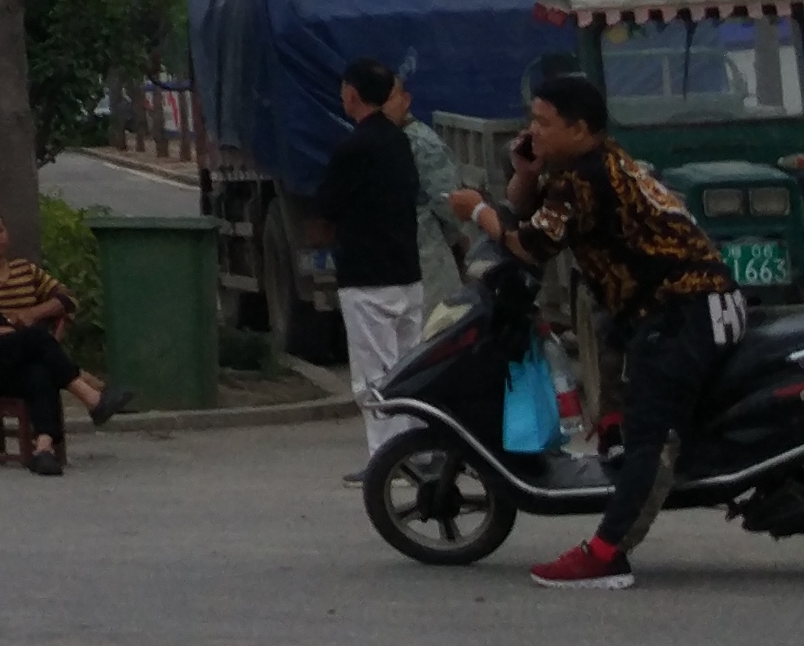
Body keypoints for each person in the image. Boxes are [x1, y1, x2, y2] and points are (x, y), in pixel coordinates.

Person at [452, 68, 741, 592]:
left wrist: (477, 213)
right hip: (674, 308)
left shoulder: (586, 178)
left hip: (684, 310)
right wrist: (525, 174)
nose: (533, 131)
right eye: (531, 121)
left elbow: (531, 245)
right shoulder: (593, 166)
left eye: (544, 123)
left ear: (580, 128)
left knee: (652, 437)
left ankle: (608, 554)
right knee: (620, 396)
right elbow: (529, 214)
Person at [0, 202, 111, 469]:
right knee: (34, 338)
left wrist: (32, 313)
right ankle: (91, 396)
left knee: (39, 372)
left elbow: (67, 299)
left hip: (16, 364)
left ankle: (43, 447)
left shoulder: (26, 271)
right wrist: (9, 333)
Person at [314, 58, 429, 454]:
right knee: (409, 370)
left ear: (352, 94)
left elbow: (327, 207)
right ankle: (419, 450)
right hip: (408, 274)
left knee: (375, 378)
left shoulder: (353, 148)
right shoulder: (400, 142)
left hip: (366, 280)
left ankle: (389, 459)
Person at [385, 77, 468, 312]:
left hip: (430, 262)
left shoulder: (422, 143)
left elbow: (450, 205)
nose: (383, 106)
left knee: (437, 324)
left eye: (389, 98)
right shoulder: (385, 140)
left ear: (405, 100)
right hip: (402, 265)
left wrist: (452, 240)